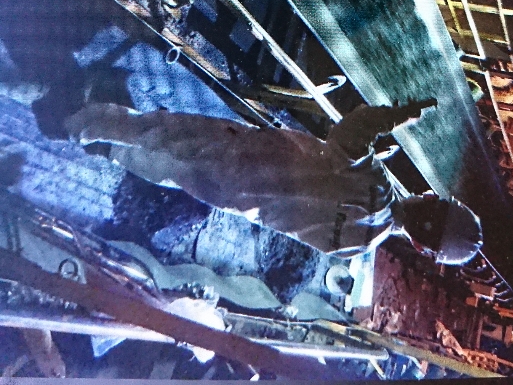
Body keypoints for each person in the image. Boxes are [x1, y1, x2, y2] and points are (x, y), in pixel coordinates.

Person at [65, 99, 482, 263]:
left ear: (431, 200)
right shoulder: (357, 248)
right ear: (420, 246)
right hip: (237, 200)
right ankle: (106, 149)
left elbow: (350, 135)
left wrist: (396, 115)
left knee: (164, 133)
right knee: (171, 171)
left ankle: (77, 121)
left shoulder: (377, 190)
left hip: (245, 156)